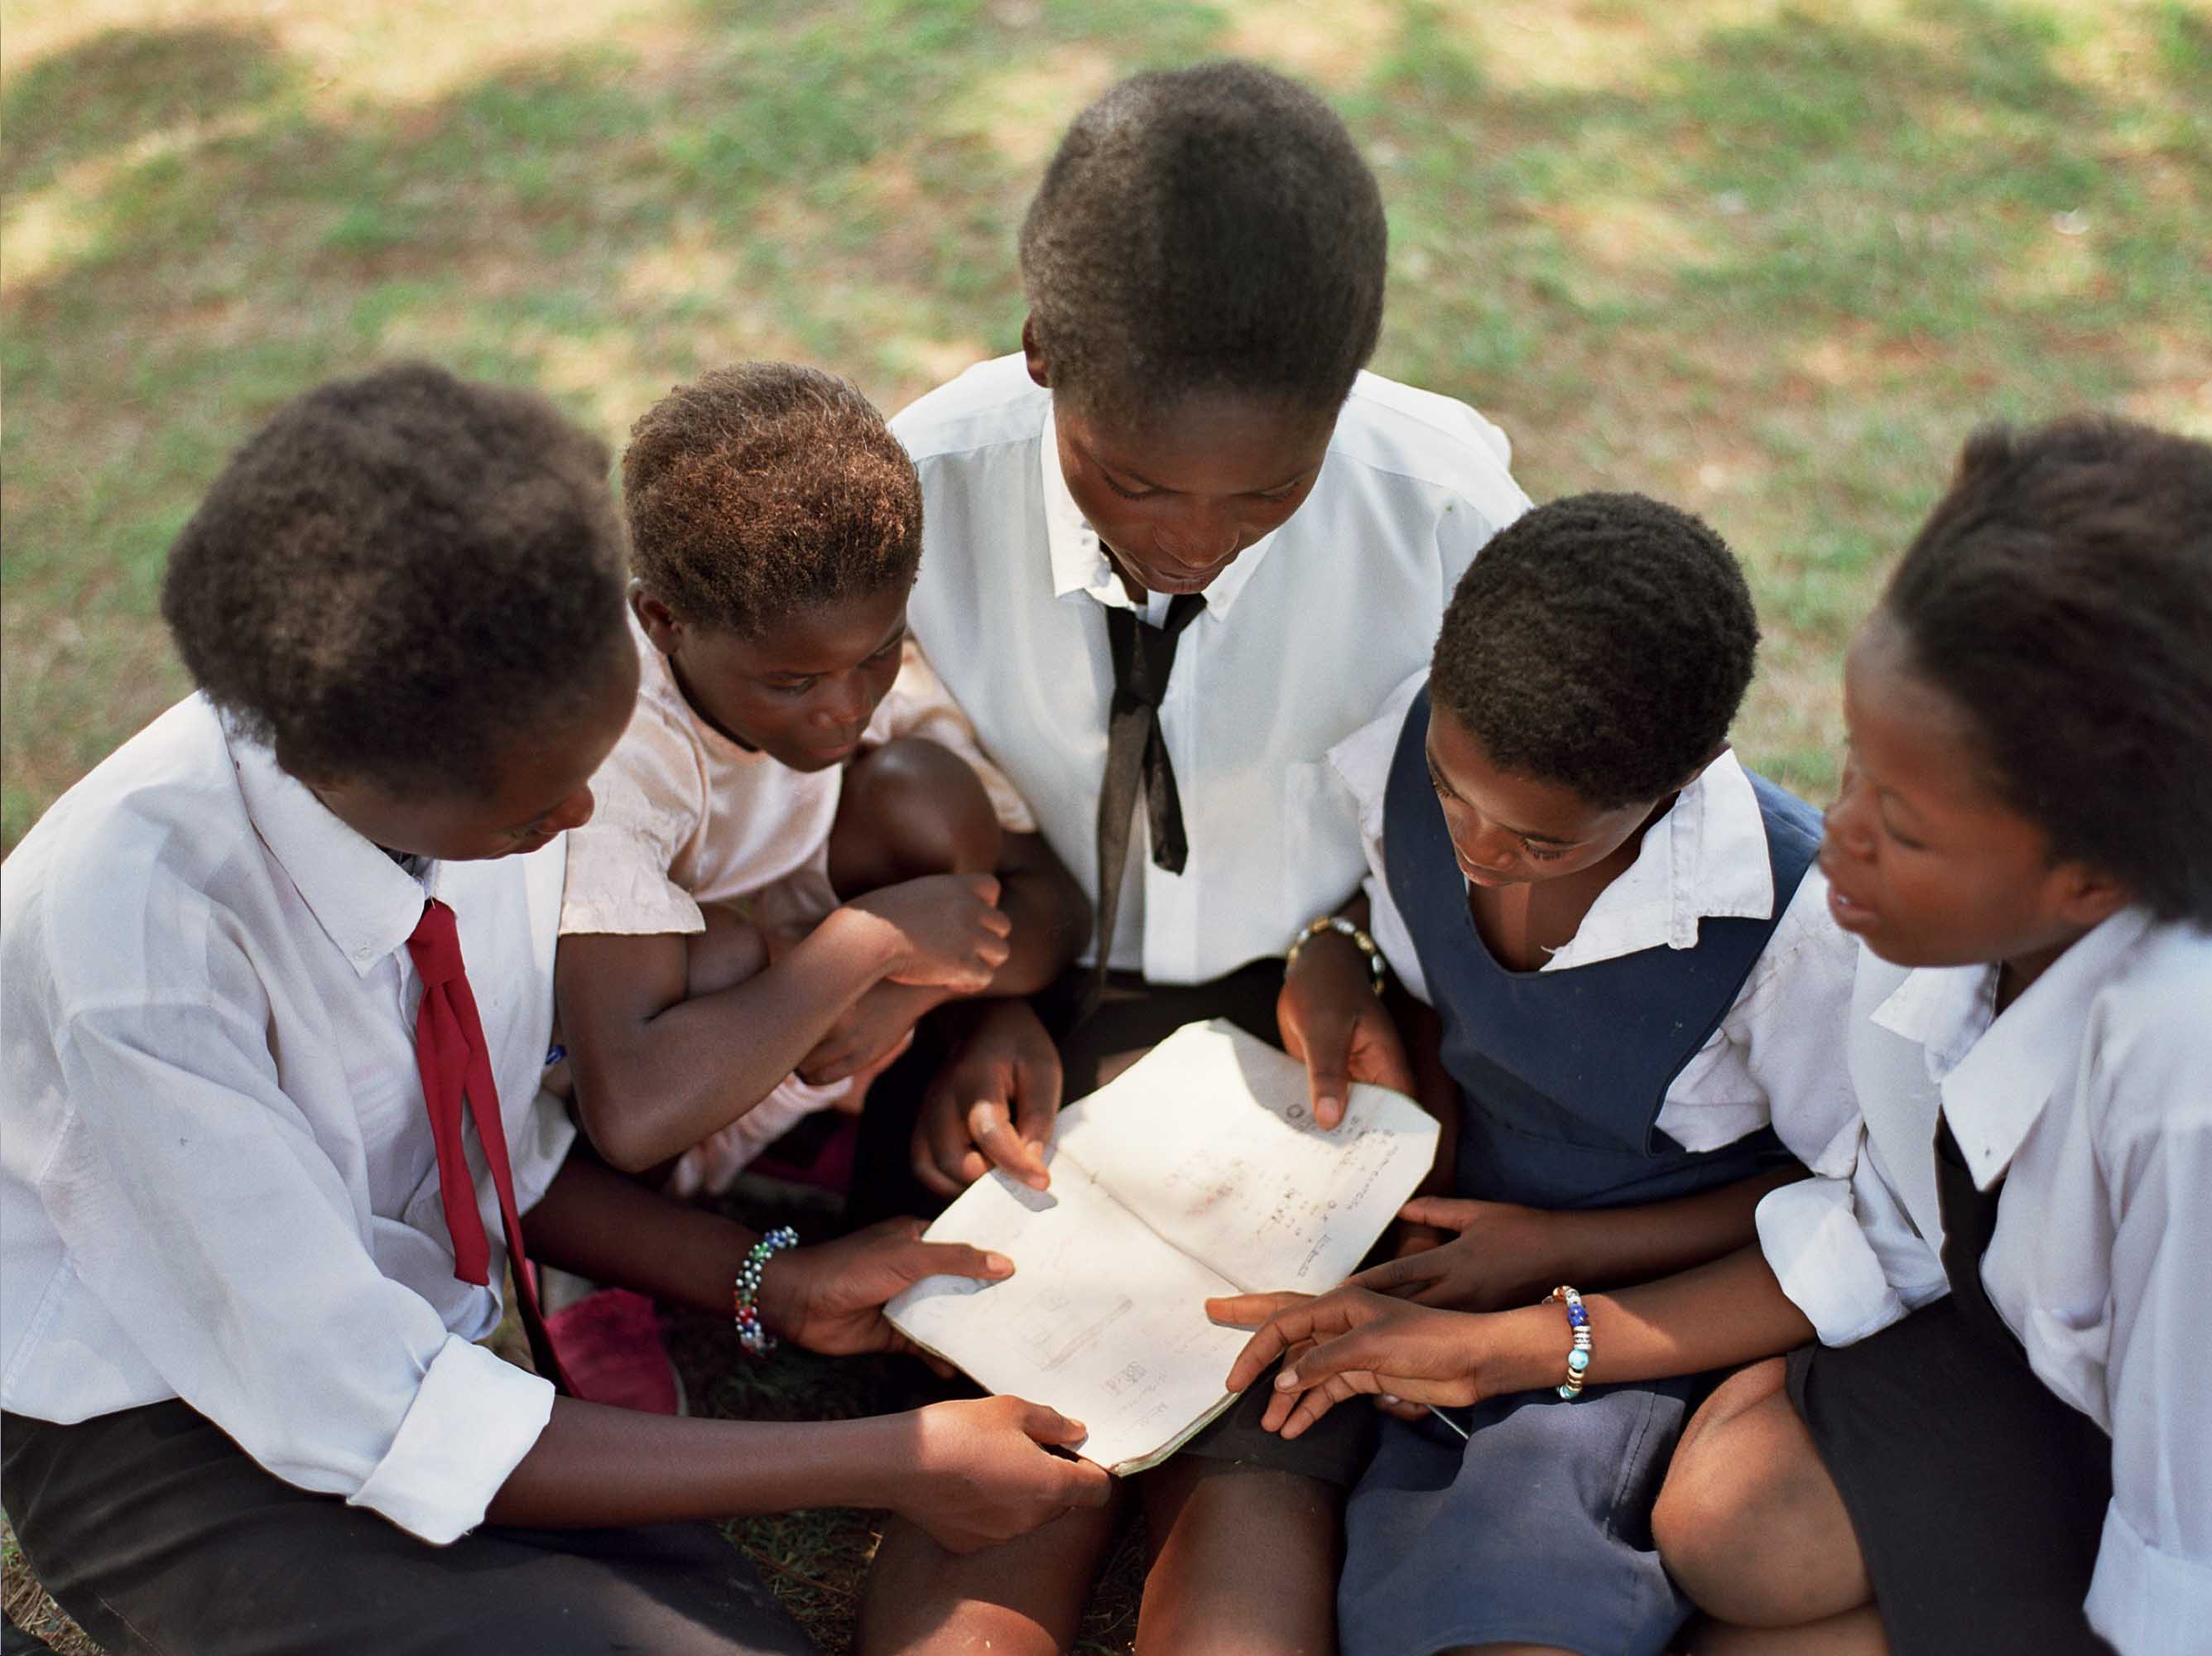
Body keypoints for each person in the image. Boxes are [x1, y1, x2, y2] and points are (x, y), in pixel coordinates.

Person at [0, 364, 1109, 1656]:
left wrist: (775, 1281)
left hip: (416, 1358)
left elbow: (490, 1156)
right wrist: (890, 1456)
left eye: (587, 771)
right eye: (536, 811)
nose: (578, 825)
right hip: (174, 1442)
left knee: (733, 1628)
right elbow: (380, 1414)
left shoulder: (479, 768)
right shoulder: (143, 964)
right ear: (351, 773)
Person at [853, 58, 1532, 1656]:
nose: (1189, 542)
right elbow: (881, 792)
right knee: (1016, 1429)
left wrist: (1354, 943)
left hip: (1310, 1057)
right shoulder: (916, 490)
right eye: (1136, 481)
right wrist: (967, 1012)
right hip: (1013, 1019)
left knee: (1256, 1448)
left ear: (1346, 400)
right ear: (1039, 363)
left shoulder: (1445, 513)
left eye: (1265, 495)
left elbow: (1504, 822)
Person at [1216, 491, 1859, 1656]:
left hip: (1660, 1315)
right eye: (1452, 790)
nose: (1477, 844)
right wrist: (1337, 955)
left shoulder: (1793, 928)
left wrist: (1559, 1263)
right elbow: (1423, 956)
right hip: (1463, 1252)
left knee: (1515, 1573)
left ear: (1687, 776)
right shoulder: (1410, 749)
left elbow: (1861, 1222)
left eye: (1542, 842)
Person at [1647, 416, 2212, 1655]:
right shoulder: (1928, 927)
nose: (1838, 834)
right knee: (1727, 1528)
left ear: (2091, 879)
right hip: (2048, 1388)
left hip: (2194, 1484)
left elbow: (2196, 1531)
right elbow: (1906, 1228)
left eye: (1900, 827)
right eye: (1852, 767)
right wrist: (1551, 1332)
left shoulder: (2195, 1079)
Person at [553, 363, 1086, 1198]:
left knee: (921, 790)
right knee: (728, 954)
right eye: (792, 683)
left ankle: (803, 1142)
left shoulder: (844, 641)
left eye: (877, 653)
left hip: (786, 1027)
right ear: (663, 620)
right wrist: (869, 945)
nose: (846, 706)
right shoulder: (615, 754)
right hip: (604, 1127)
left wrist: (908, 995)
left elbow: (1055, 906)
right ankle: (695, 1219)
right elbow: (631, 1116)